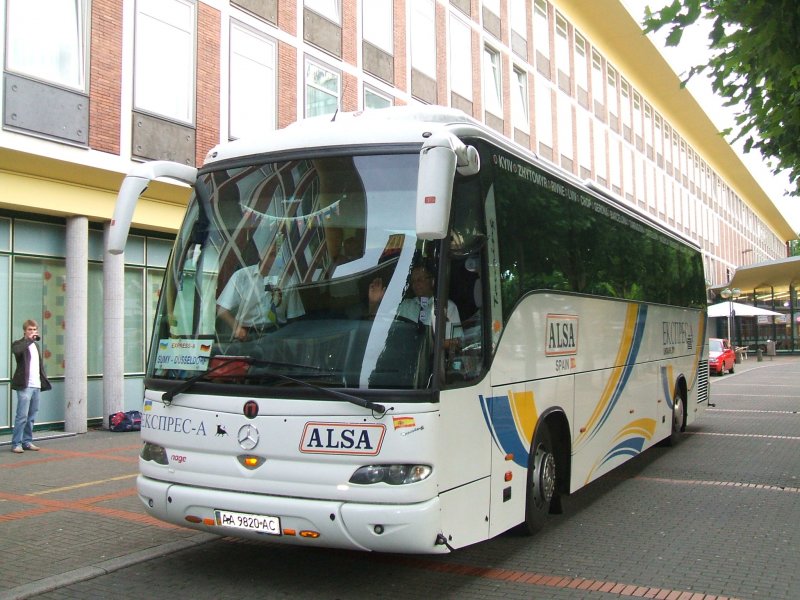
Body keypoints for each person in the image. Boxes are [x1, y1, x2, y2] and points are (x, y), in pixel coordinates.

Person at [217, 244, 305, 341]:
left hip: (277, 335)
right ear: (260, 254)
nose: (275, 259)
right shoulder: (241, 277)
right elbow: (222, 309)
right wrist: (236, 328)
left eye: (278, 255)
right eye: (272, 255)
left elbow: (294, 317)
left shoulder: (287, 280)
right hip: (247, 335)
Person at [368, 265, 462, 344]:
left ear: (432, 281)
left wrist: (427, 342)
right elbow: (378, 324)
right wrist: (374, 303)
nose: (416, 284)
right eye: (413, 281)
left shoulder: (446, 307)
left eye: (420, 279)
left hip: (433, 361)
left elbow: (456, 342)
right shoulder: (405, 306)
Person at [10, 319, 51, 454]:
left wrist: (43, 380)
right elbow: (16, 351)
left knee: (31, 415)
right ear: (25, 331)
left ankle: (27, 441)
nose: (32, 332)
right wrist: (29, 340)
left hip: (36, 385)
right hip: (25, 385)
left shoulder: (36, 347)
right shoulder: (20, 344)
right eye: (30, 330)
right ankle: (16, 443)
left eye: (34, 330)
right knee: (21, 415)